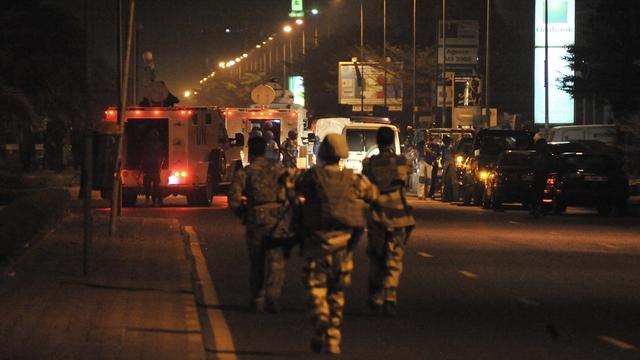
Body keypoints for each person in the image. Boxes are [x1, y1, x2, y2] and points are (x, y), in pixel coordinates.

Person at [295, 134, 378, 355]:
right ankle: (333, 338)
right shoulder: (354, 179)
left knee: (315, 287)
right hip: (345, 243)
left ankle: (320, 316)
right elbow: (372, 195)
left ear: (321, 153)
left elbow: (294, 189)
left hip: (317, 241)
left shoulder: (312, 177)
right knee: (336, 292)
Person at [228, 136, 289, 313]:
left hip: (256, 219)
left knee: (257, 261)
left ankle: (257, 297)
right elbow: (290, 192)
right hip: (278, 220)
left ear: (250, 151)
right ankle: (273, 296)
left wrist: (244, 214)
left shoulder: (246, 172)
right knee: (276, 261)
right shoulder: (279, 170)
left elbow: (234, 198)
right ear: (265, 150)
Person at [362, 127, 415, 317]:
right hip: (399, 214)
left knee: (376, 254)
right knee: (395, 256)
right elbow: (407, 178)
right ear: (392, 140)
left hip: (377, 213)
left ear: (377, 141)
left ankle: (376, 293)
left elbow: (366, 182)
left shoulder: (369, 163)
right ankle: (390, 296)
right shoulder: (402, 161)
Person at [530, 138, 553, 217]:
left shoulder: (546, 155)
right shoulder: (537, 154)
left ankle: (538, 209)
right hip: (538, 175)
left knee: (539, 193)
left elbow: (550, 164)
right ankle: (536, 208)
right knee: (537, 193)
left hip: (542, 174)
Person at [141, 130, 163, 206]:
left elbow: (143, 157)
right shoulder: (159, 145)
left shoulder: (145, 145)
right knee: (156, 186)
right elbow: (160, 157)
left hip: (148, 168)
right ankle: (157, 201)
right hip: (154, 168)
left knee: (148, 186)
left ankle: (149, 200)